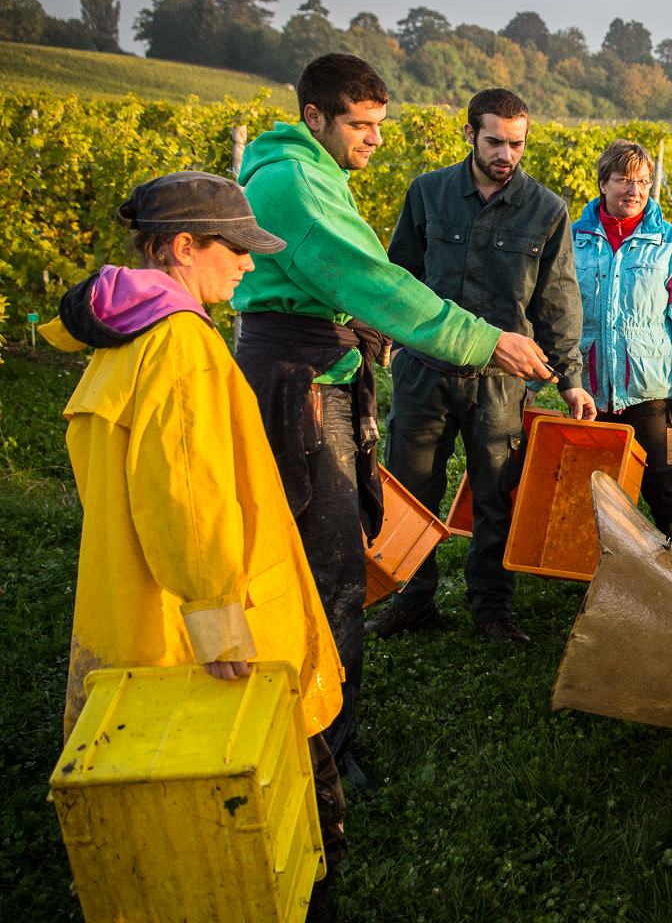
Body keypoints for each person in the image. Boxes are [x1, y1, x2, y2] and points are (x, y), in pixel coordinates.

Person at [232, 56, 556, 788]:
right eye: (362, 124)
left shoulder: (314, 175)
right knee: (334, 568)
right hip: (302, 382)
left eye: (380, 124)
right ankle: (323, 760)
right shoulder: (293, 182)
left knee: (342, 545)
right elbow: (377, 279)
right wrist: (485, 339)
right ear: (315, 117)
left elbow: (354, 286)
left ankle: (321, 732)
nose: (376, 139)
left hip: (325, 368)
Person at [41, 172, 348, 922]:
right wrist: (217, 620)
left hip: (132, 606)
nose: (248, 264)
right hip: (198, 629)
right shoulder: (182, 343)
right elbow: (186, 495)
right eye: (236, 248)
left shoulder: (124, 335)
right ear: (183, 247)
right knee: (264, 799)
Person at [363, 88, 594, 646]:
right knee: (413, 489)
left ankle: (491, 610)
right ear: (469, 134)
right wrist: (381, 341)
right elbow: (401, 275)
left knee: (496, 496)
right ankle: (412, 600)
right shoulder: (429, 193)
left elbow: (557, 300)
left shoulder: (547, 210)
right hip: (426, 371)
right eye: (495, 140)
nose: (506, 154)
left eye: (517, 143)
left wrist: (571, 379)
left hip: (501, 384)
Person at [571, 138, 672, 571]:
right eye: (624, 180)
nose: (635, 190)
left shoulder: (668, 244)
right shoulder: (574, 240)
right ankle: (610, 581)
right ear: (603, 183)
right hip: (589, 391)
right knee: (599, 493)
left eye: (644, 182)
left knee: (668, 492)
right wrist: (541, 382)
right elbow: (556, 315)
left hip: (650, 391)